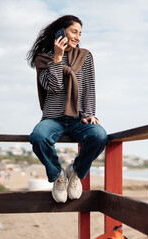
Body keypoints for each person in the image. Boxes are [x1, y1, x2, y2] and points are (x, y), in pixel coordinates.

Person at [27, 15, 108, 203]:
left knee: (99, 136)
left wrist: (89, 114)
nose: (78, 37)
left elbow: (89, 87)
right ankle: (58, 176)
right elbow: (52, 87)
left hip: (79, 118)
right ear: (61, 32)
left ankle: (76, 172)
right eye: (74, 32)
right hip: (53, 118)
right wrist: (56, 58)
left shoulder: (84, 56)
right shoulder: (43, 58)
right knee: (38, 137)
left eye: (80, 33)